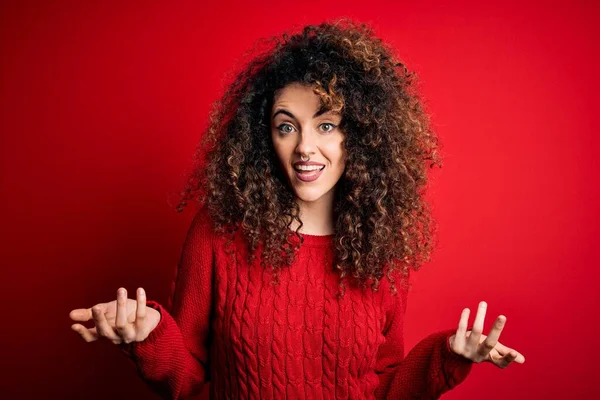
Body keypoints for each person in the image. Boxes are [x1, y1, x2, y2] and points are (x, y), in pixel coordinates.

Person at [69, 18, 525, 399]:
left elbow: (385, 384)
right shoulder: (220, 232)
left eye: (326, 124)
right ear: (264, 136)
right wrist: (147, 335)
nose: (305, 147)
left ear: (360, 136)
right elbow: (190, 380)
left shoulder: (378, 246)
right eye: (286, 126)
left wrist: (449, 356)